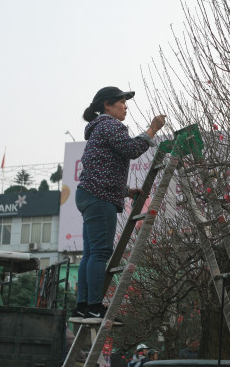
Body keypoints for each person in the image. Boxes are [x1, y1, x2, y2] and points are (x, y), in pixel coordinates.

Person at [69, 86, 166, 325]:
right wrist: (152, 129)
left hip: (89, 195)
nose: (126, 107)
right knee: (100, 253)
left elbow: (101, 169)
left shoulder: (98, 129)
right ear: (107, 105)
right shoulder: (110, 125)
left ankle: (82, 307)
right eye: (121, 102)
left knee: (91, 254)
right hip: (99, 197)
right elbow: (131, 149)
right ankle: (93, 307)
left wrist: (125, 191)